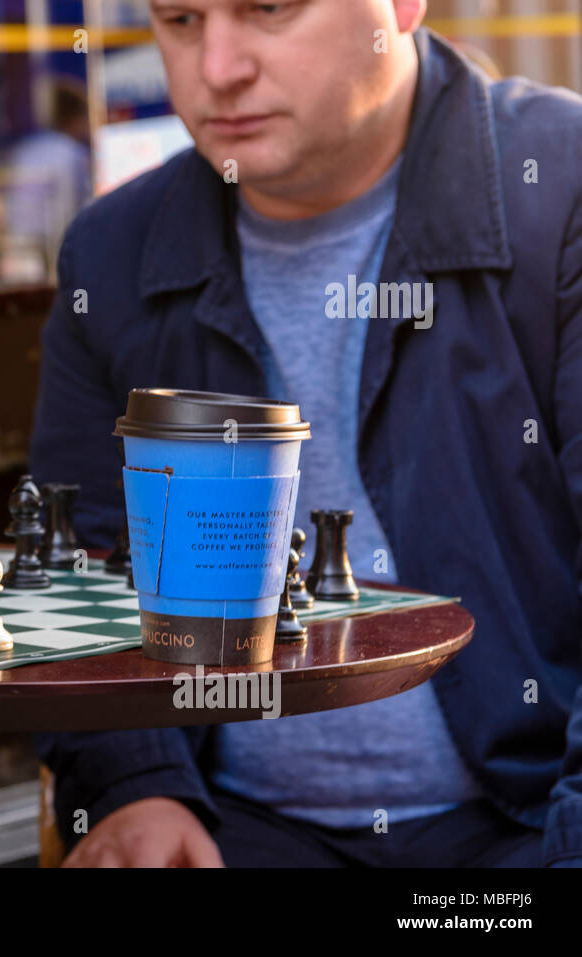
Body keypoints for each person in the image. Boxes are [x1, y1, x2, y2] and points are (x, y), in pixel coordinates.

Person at [30, 1, 582, 867]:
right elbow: (77, 570)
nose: (218, 68)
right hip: (231, 828)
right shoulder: (111, 252)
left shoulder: (564, 189)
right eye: (179, 19)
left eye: (270, 9)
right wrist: (136, 784)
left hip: (529, 830)